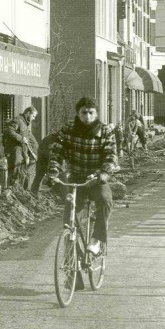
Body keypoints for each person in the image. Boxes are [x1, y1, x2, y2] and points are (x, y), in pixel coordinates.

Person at [47, 97, 118, 256]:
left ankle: (96, 240)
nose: (87, 116)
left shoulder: (106, 131)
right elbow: (57, 153)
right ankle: (72, 261)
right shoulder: (68, 129)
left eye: (91, 112)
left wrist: (104, 173)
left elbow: (111, 156)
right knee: (69, 219)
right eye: (84, 112)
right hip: (76, 179)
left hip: (96, 178)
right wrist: (53, 171)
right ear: (78, 113)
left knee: (105, 200)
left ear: (96, 114)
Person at [3, 106, 39, 190]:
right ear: (28, 113)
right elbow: (9, 131)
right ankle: (11, 188)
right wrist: (20, 138)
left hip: (22, 149)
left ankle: (19, 188)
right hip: (15, 148)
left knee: (22, 169)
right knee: (16, 166)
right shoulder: (17, 120)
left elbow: (28, 140)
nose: (33, 118)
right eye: (33, 116)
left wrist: (32, 153)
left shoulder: (26, 124)